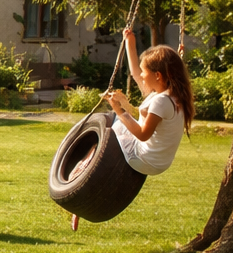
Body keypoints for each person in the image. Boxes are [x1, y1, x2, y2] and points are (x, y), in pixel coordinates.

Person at [71, 27, 195, 230]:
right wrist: (130, 42)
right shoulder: (173, 94)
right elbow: (137, 72)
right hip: (158, 160)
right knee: (110, 126)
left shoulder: (161, 102)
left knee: (105, 132)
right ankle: (80, 193)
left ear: (158, 76)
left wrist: (119, 109)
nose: (141, 76)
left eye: (146, 73)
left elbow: (143, 134)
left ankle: (77, 182)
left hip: (146, 157)